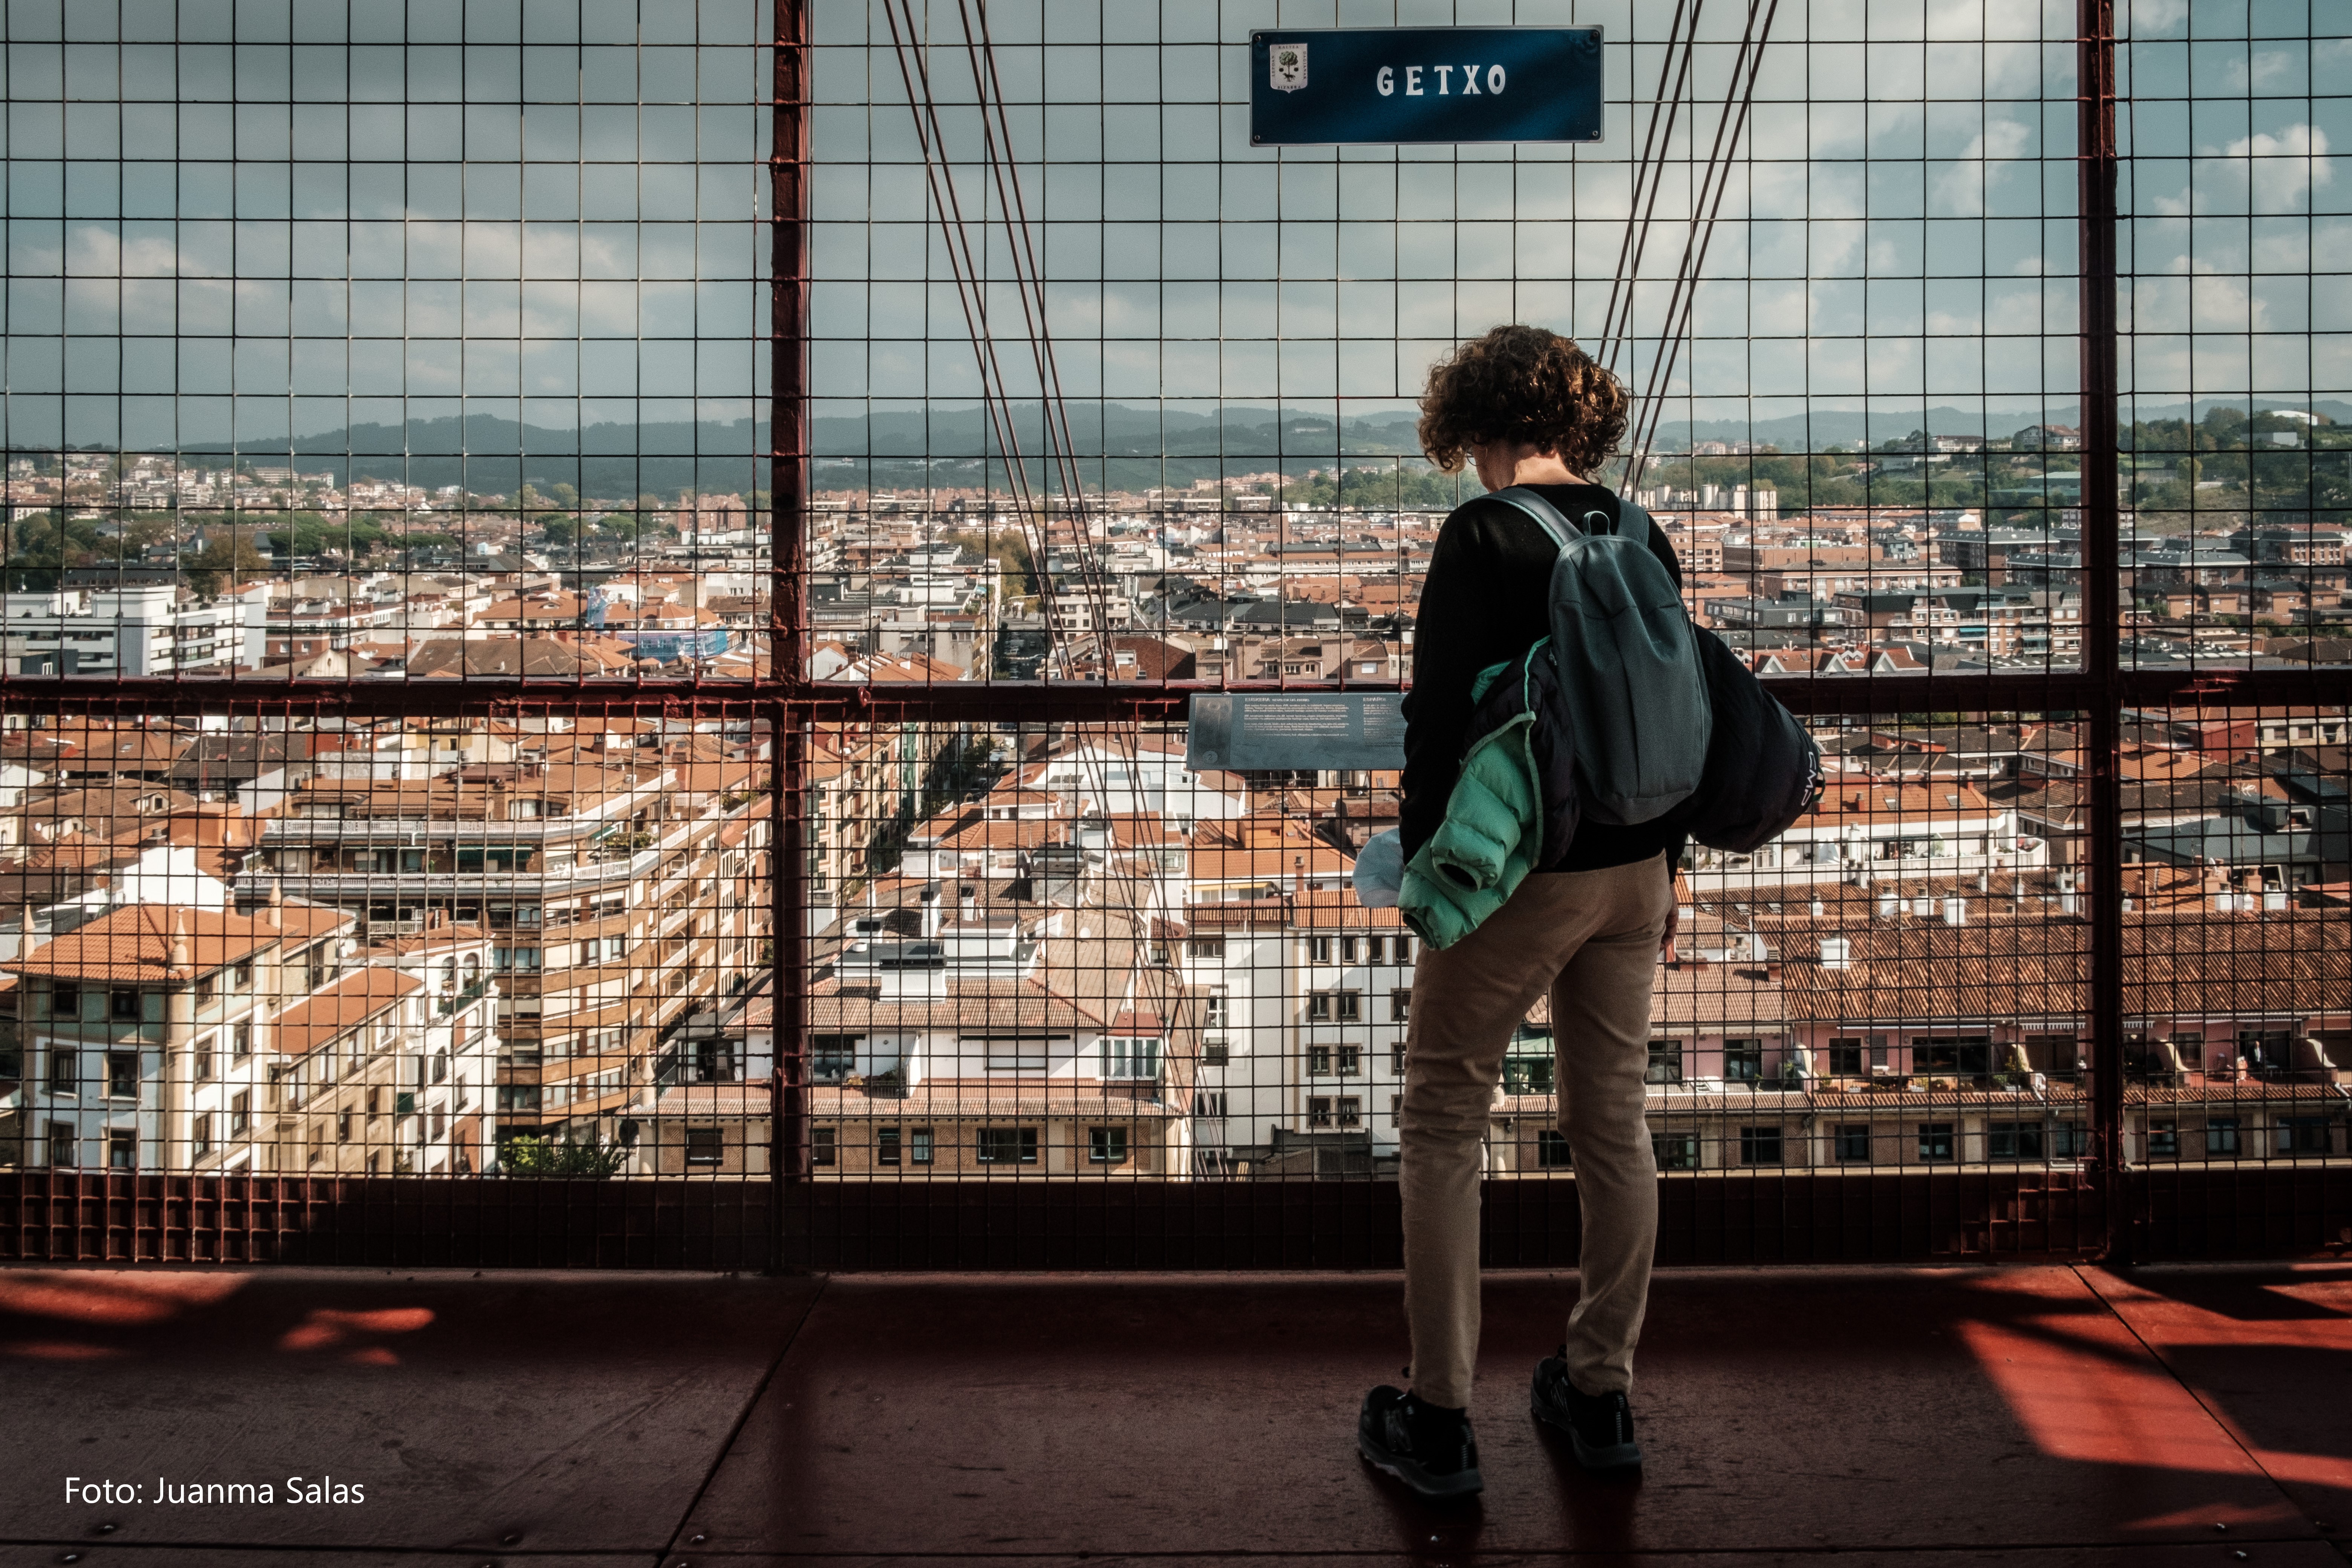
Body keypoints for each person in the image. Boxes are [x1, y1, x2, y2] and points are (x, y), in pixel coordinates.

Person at [1358, 324, 1684, 1499]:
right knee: (1613, 1119)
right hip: (1637, 868)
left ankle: (1439, 1418)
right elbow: (1669, 715)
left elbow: (1434, 717)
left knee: (1446, 1116)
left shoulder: (1481, 532)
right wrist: (1673, 866)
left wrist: (1428, 864)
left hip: (1521, 877)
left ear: (1476, 421)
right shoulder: (1642, 530)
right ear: (1581, 417)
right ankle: (1599, 1395)